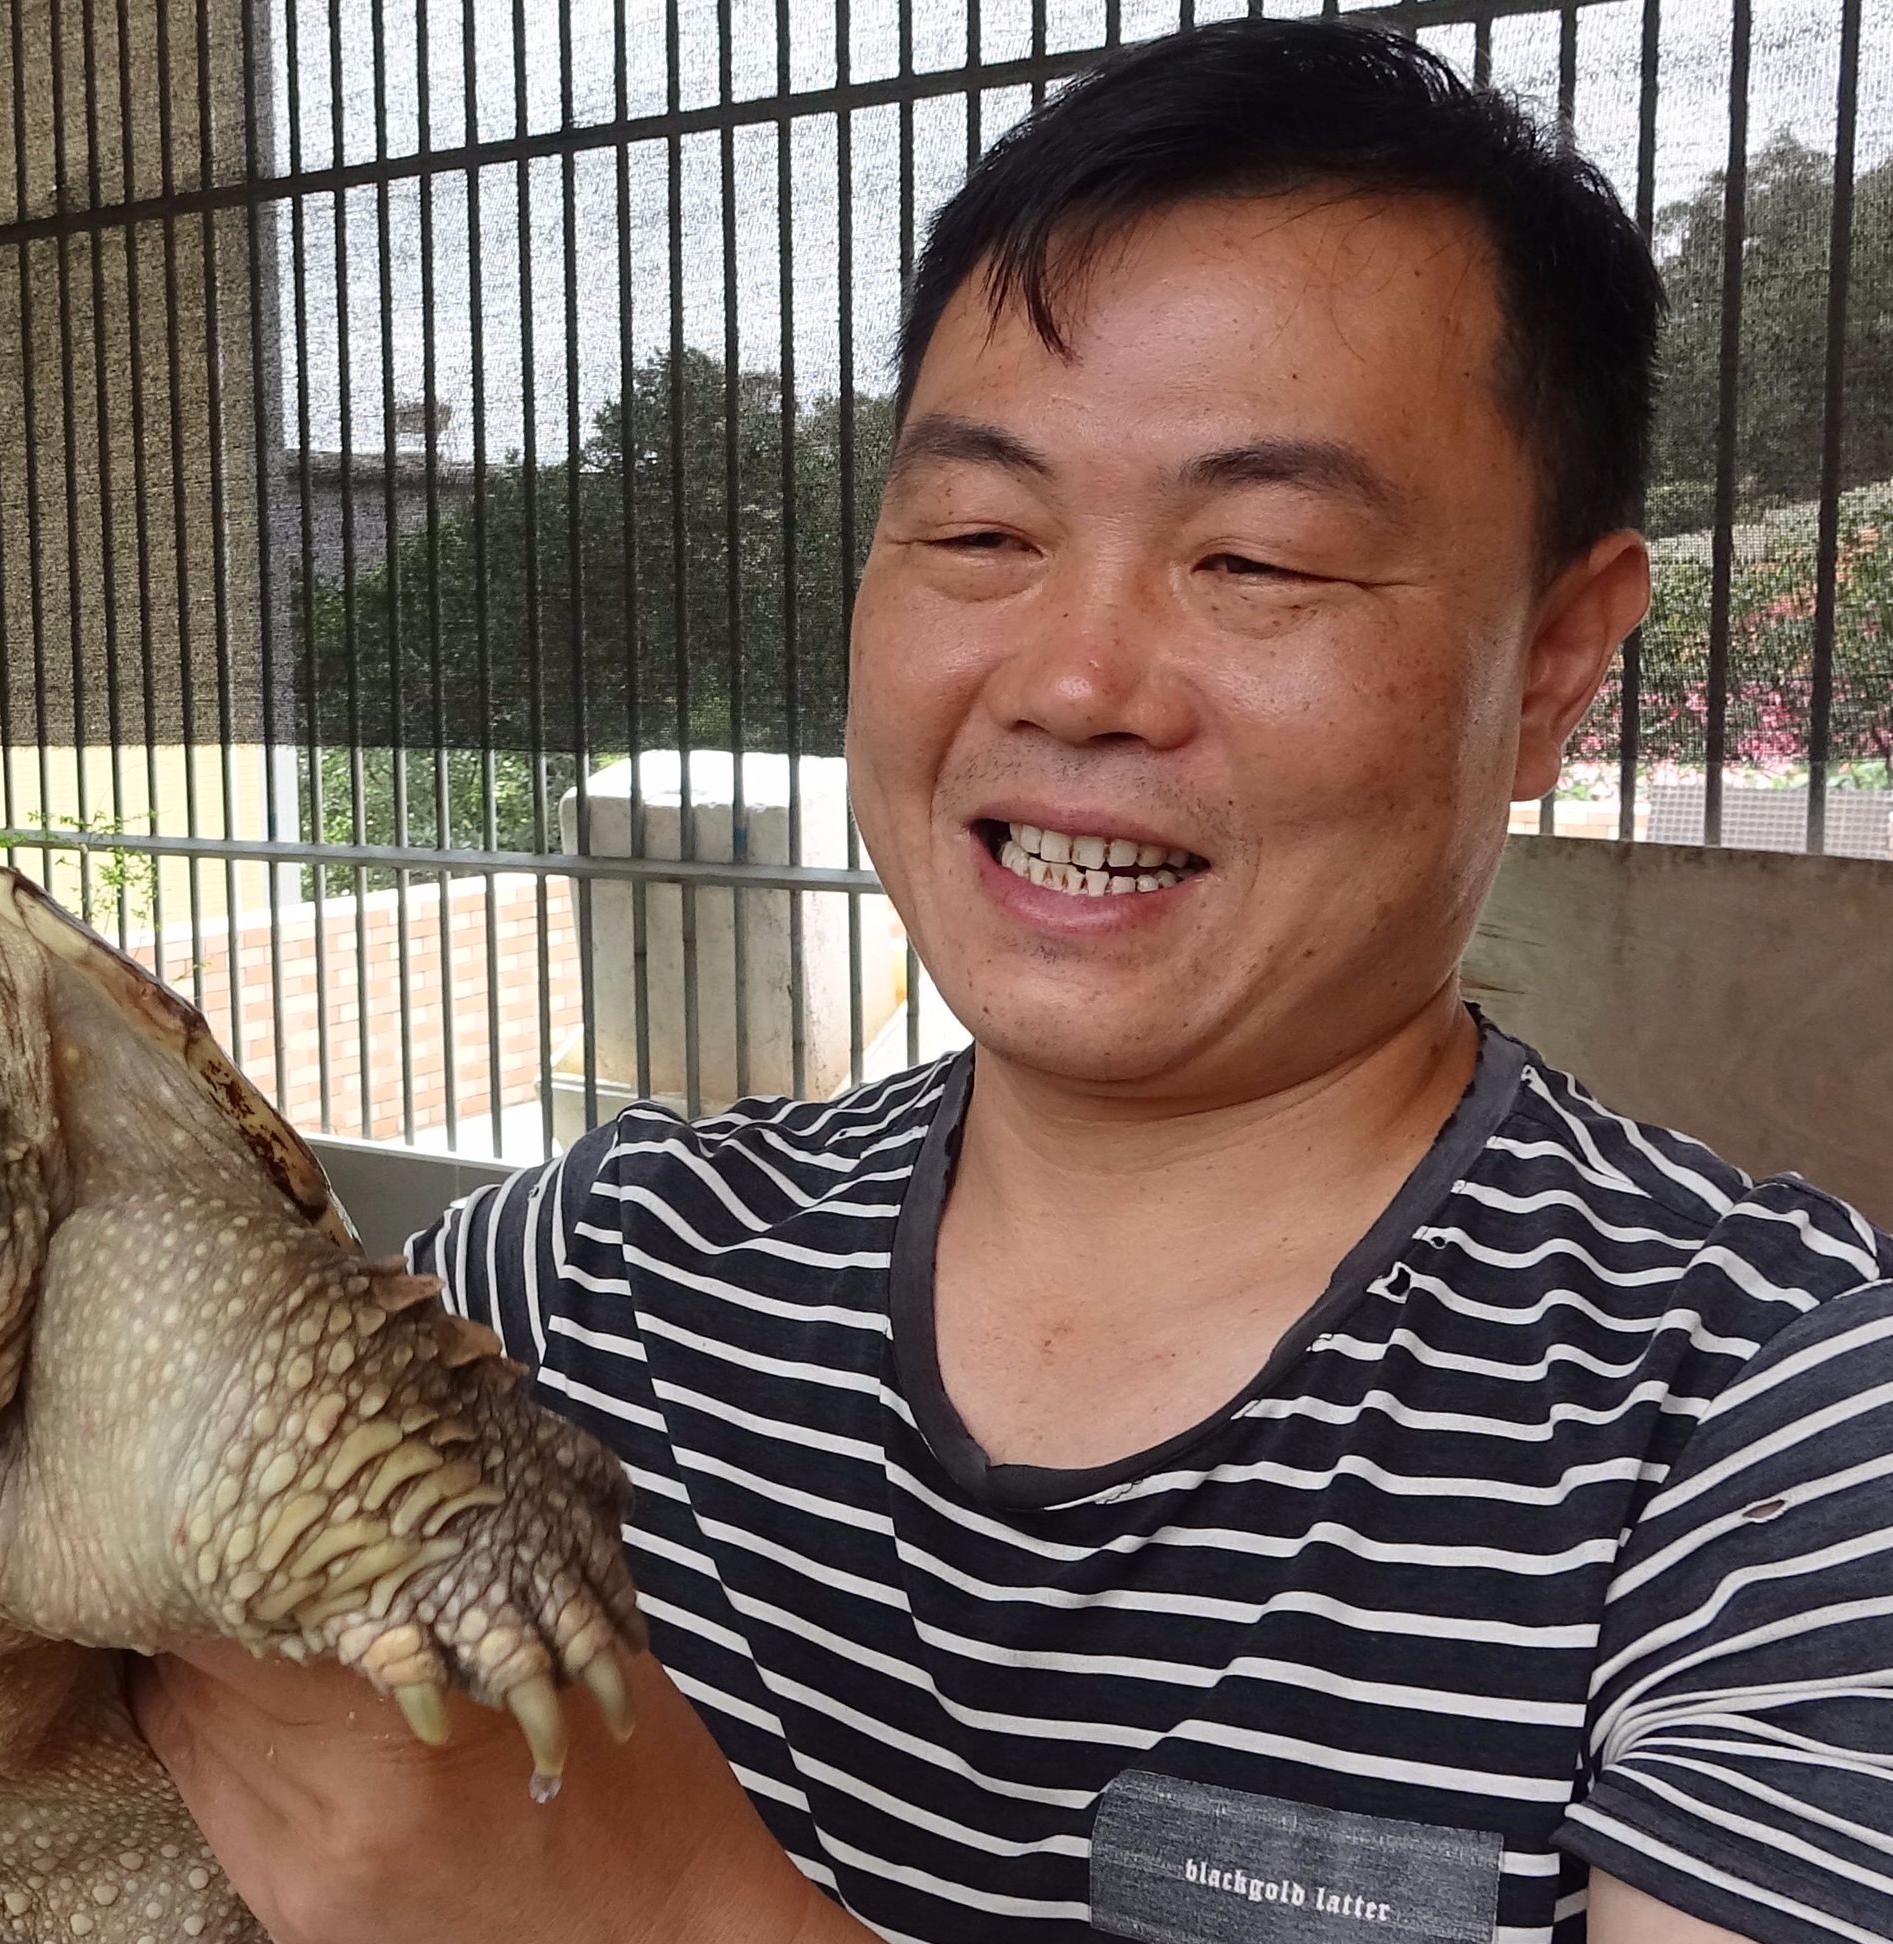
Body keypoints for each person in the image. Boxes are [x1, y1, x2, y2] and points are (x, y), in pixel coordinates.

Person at [125, 18, 1893, 1944]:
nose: (1071, 681)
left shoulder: (1780, 1426)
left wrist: (678, 1915)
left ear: (1554, 664)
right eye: (980, 533)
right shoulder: (563, 1301)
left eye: (1257, 560)